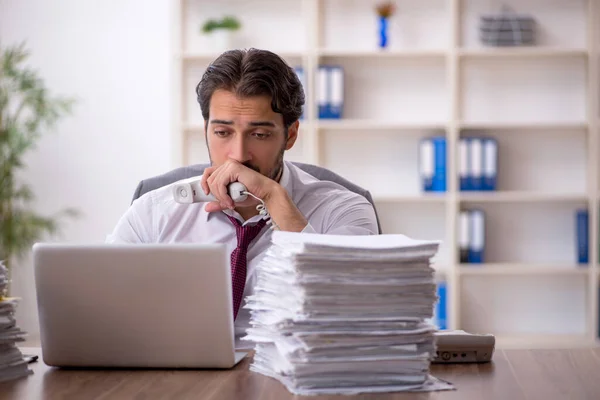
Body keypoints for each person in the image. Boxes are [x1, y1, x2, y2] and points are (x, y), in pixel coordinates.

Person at [106, 48, 379, 347]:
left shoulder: (345, 209)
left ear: (290, 135)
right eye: (223, 132)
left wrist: (275, 199)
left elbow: (353, 318)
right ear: (206, 131)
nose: (237, 155)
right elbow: (104, 312)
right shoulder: (154, 211)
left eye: (259, 134)